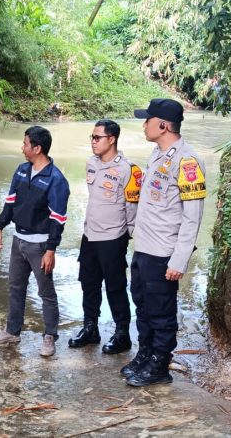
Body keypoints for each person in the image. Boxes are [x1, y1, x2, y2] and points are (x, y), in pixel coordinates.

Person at [123, 98, 206, 387]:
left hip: (163, 253)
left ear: (163, 125)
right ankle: (146, 353)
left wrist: (179, 259)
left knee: (161, 311)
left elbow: (192, 217)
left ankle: (160, 363)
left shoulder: (187, 161)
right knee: (143, 306)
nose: (144, 124)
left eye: (147, 119)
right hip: (144, 248)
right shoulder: (157, 155)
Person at [0, 125, 71, 358]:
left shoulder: (56, 179)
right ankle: (12, 331)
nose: (22, 148)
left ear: (37, 148)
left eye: (25, 144)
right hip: (19, 240)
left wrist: (50, 249)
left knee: (46, 292)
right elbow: (11, 201)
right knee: (15, 287)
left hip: (40, 245)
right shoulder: (22, 171)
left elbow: (58, 218)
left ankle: (49, 336)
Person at [68, 119, 142, 354]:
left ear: (112, 139)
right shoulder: (91, 163)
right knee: (88, 283)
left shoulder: (129, 169)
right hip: (90, 235)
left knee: (115, 285)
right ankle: (90, 328)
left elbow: (133, 207)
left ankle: (122, 333)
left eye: (97, 137)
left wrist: (129, 236)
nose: (93, 141)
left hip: (113, 237)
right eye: (91, 137)